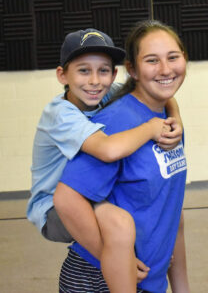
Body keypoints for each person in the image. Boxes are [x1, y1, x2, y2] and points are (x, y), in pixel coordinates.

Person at [27, 28, 183, 292]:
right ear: (62, 75)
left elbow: (163, 95)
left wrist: (175, 116)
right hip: (52, 209)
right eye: (83, 70)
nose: (95, 81)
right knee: (117, 221)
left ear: (114, 74)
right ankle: (117, 266)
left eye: (104, 71)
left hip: (85, 197)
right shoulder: (61, 114)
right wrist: (151, 128)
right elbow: (108, 150)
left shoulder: (105, 93)